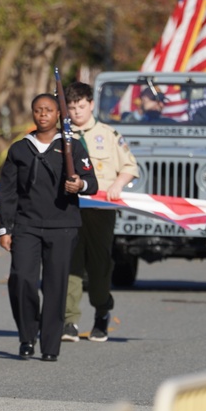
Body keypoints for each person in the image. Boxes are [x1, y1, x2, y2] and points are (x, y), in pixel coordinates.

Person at [0, 93, 97, 362]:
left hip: (62, 226)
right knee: (22, 280)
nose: (43, 115)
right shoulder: (20, 149)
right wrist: (5, 229)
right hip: (26, 225)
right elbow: (7, 192)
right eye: (38, 110)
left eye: (48, 110)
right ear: (32, 114)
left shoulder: (72, 146)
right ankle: (27, 336)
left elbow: (92, 182)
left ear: (58, 115)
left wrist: (79, 185)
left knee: (55, 286)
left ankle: (50, 345)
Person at [63, 81, 139, 343]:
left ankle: (101, 312)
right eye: (71, 108)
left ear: (91, 105)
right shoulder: (62, 136)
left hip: (100, 209)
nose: (76, 113)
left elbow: (129, 165)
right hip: (69, 209)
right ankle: (69, 320)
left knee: (99, 265)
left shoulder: (108, 134)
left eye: (81, 106)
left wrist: (118, 184)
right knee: (70, 264)